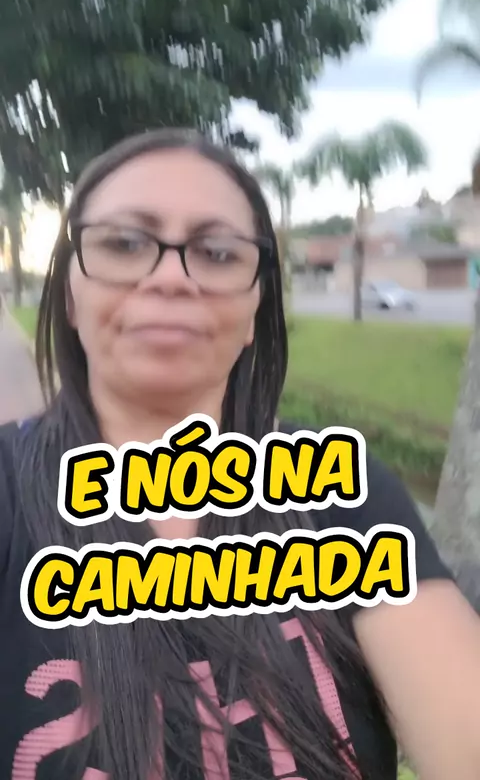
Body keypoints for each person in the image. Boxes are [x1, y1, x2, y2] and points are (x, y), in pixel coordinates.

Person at [0, 128, 479, 780]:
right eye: (124, 244)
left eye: (219, 253)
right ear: (70, 297)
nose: (171, 277)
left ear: (255, 308)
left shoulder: (346, 490)